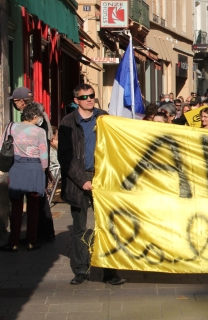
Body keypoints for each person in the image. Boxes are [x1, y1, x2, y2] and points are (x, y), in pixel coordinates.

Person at [58, 83, 126, 285]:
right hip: (79, 181)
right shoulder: (67, 123)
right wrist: (83, 180)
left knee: (107, 226)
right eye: (85, 96)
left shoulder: (104, 117)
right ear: (76, 101)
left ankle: (109, 272)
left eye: (92, 96)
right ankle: (81, 270)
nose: (89, 99)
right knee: (79, 228)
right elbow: (65, 156)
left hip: (103, 178)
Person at [0, 103, 48, 252]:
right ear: (34, 116)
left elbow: (0, 148)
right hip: (34, 169)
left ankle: (13, 242)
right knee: (33, 207)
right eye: (39, 116)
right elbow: (43, 155)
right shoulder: (39, 132)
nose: (40, 119)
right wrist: (44, 170)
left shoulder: (11, 127)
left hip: (16, 168)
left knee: (16, 208)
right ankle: (31, 241)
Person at [9, 87, 55, 242]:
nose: (14, 104)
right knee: (35, 203)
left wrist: (45, 167)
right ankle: (34, 238)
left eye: (15, 101)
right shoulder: (36, 114)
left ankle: (38, 234)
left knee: (32, 204)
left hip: (24, 166)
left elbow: (43, 142)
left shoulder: (34, 117)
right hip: (36, 165)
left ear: (22, 101)